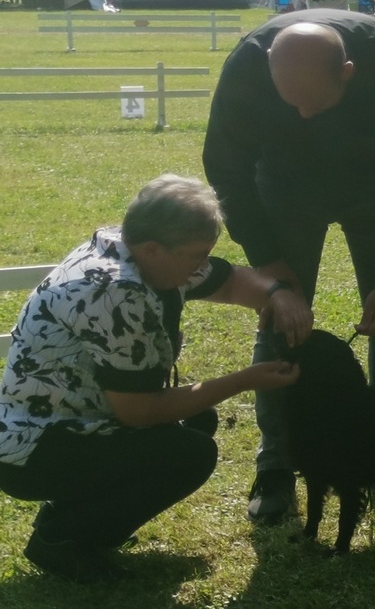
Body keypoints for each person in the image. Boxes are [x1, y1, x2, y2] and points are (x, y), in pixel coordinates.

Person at [0, 175, 311, 583]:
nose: (202, 265)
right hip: (33, 450)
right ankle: (61, 539)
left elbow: (230, 280)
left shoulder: (130, 247)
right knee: (188, 454)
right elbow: (140, 412)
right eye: (197, 256)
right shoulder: (116, 292)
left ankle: (75, 517)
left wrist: (277, 292)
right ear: (152, 249)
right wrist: (245, 379)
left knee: (195, 421)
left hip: (56, 426)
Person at [201, 10, 375, 525]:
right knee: (279, 323)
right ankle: (276, 463)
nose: (304, 113)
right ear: (269, 67)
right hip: (284, 189)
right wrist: (274, 274)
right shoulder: (246, 67)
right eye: (290, 102)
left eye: (314, 100)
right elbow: (226, 172)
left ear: (347, 72)